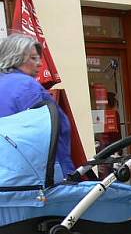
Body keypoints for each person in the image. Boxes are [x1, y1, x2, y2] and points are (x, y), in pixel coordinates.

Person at [0, 33, 75, 174]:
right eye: (33, 58)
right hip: (34, 177)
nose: (40, 63)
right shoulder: (27, 86)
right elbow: (45, 135)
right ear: (15, 58)